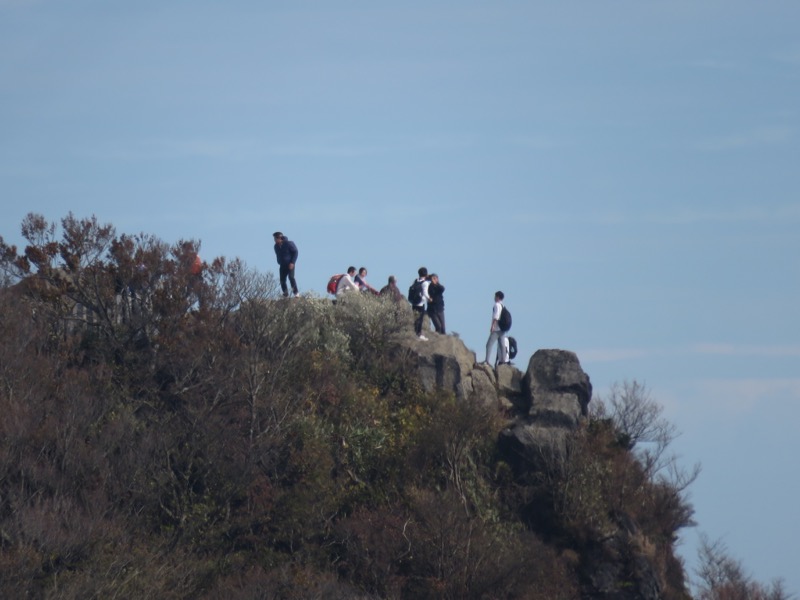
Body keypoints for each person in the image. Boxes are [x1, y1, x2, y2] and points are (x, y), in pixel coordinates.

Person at [485, 290, 510, 365]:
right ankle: (503, 361)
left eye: (495, 296)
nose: (494, 297)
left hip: (497, 329)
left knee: (489, 344)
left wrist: (492, 326)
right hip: (502, 329)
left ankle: (487, 361)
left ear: (498, 297)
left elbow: (496, 316)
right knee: (502, 345)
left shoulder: (496, 305)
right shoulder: (503, 306)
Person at [273, 231, 299, 297]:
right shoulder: (276, 246)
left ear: (279, 238)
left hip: (290, 264)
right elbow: (277, 255)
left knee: (291, 277)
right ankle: (285, 293)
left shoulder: (289, 243)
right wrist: (279, 261)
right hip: (282, 265)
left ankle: (296, 293)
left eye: (275, 239)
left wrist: (292, 262)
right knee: (282, 280)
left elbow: (295, 252)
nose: (274, 240)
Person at [410, 267, 431, 340]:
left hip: (414, 302)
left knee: (415, 318)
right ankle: (419, 334)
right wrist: (429, 298)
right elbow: (425, 292)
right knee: (420, 319)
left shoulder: (416, 280)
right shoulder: (425, 283)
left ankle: (415, 333)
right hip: (421, 303)